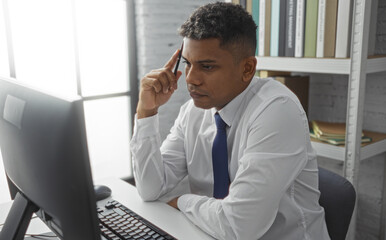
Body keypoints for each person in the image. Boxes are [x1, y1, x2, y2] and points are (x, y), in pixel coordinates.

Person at [130, 2, 330, 240]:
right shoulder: (191, 112)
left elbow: (239, 226)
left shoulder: (278, 111)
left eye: (207, 66)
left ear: (247, 68)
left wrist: (183, 201)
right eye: (187, 63)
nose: (191, 79)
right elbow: (150, 188)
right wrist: (146, 111)